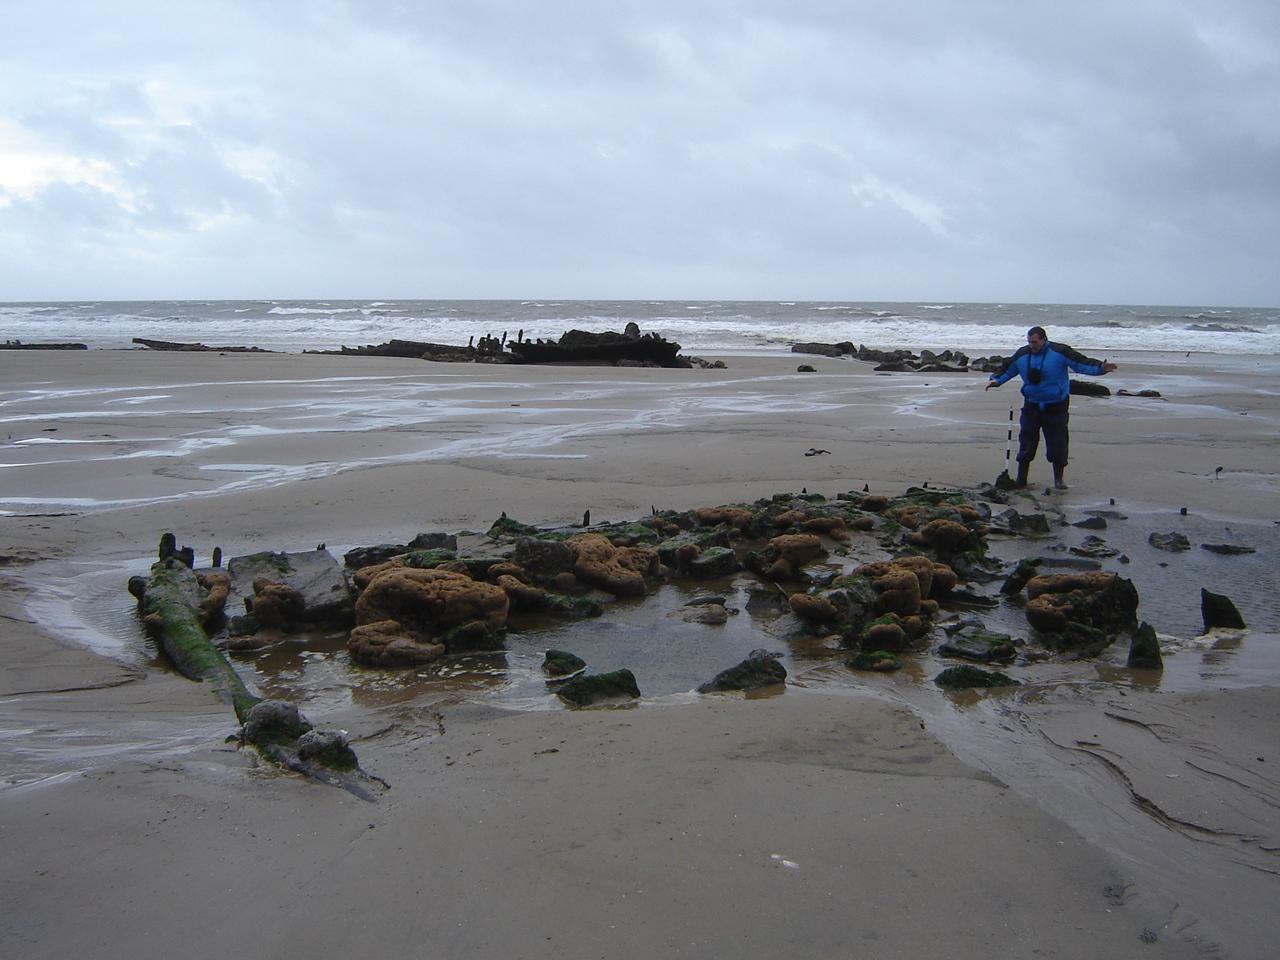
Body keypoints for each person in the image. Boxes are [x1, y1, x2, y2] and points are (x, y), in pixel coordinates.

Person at [984, 326, 1116, 489]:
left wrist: (1101, 368)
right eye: (1029, 342)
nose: (1032, 345)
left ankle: (1058, 480)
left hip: (1056, 406)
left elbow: (1081, 363)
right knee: (1027, 443)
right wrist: (996, 381)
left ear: (1044, 339)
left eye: (1035, 342)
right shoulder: (1022, 354)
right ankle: (1021, 479)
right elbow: (1008, 369)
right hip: (1031, 405)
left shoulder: (1060, 351)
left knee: (1058, 444)